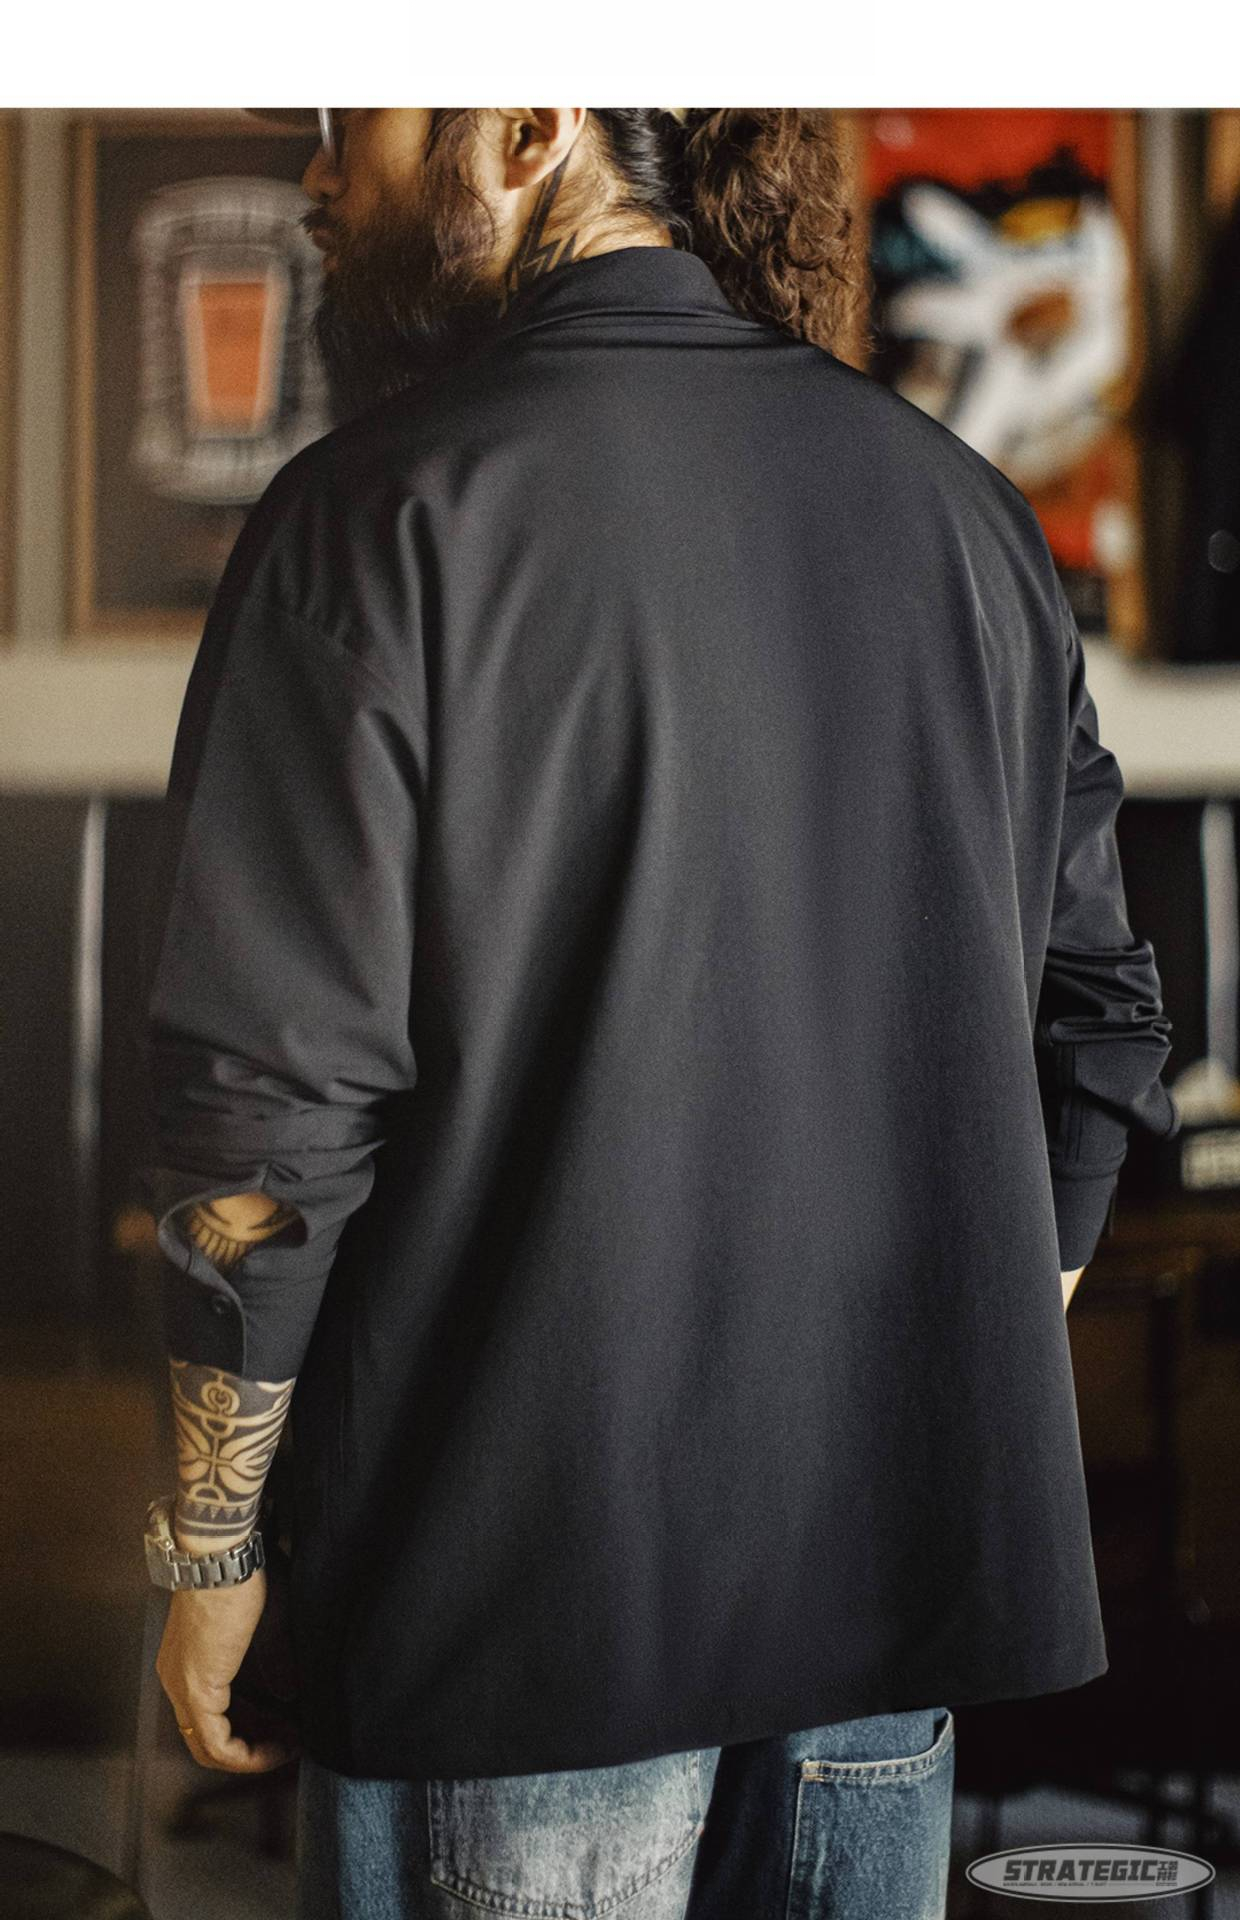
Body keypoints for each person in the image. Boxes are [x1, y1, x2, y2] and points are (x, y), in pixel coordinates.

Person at [136, 109, 1179, 1919]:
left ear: (527, 124)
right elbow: (1103, 1024)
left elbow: (266, 1110)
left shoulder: (377, 513)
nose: (318, 175)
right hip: (880, 1621)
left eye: (351, 119)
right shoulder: (963, 512)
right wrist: (936, 1359)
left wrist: (211, 1551)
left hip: (513, 1631)